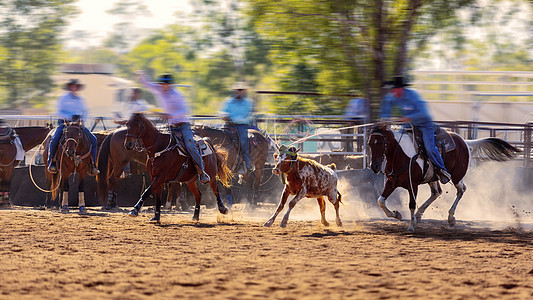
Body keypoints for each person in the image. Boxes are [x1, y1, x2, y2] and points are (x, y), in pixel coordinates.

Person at [137, 71, 210, 184]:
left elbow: (185, 111)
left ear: (169, 85)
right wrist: (142, 76)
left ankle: (202, 172)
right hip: (170, 125)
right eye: (161, 84)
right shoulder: (159, 90)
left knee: (190, 145)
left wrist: (170, 115)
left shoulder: (177, 94)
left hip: (183, 125)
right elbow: (148, 85)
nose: (162, 86)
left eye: (164, 84)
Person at [380, 76, 452, 184]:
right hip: (408, 125)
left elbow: (423, 113)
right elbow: (386, 107)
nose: (393, 92)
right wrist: (383, 119)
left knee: (429, 148)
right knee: (396, 143)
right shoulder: (393, 96)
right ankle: (394, 169)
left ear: (401, 89)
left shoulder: (413, 95)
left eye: (395, 90)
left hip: (424, 124)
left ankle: (442, 170)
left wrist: (409, 117)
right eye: (392, 90)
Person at [48, 79, 100, 175]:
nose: (74, 88)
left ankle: (93, 164)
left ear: (77, 88)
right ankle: (52, 161)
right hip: (64, 123)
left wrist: (81, 120)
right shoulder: (63, 98)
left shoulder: (81, 99)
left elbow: (85, 112)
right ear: (69, 87)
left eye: (75, 86)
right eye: (72, 86)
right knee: (55, 139)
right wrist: (69, 117)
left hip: (78, 125)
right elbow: (58, 111)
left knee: (93, 139)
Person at [220, 81, 255, 173]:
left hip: (241, 125)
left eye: (241, 90)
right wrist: (224, 115)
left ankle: (246, 164)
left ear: (243, 91)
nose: (239, 92)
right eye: (237, 90)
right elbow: (223, 111)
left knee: (243, 142)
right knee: (219, 138)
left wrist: (232, 118)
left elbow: (247, 116)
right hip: (229, 124)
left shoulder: (248, 103)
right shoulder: (229, 101)